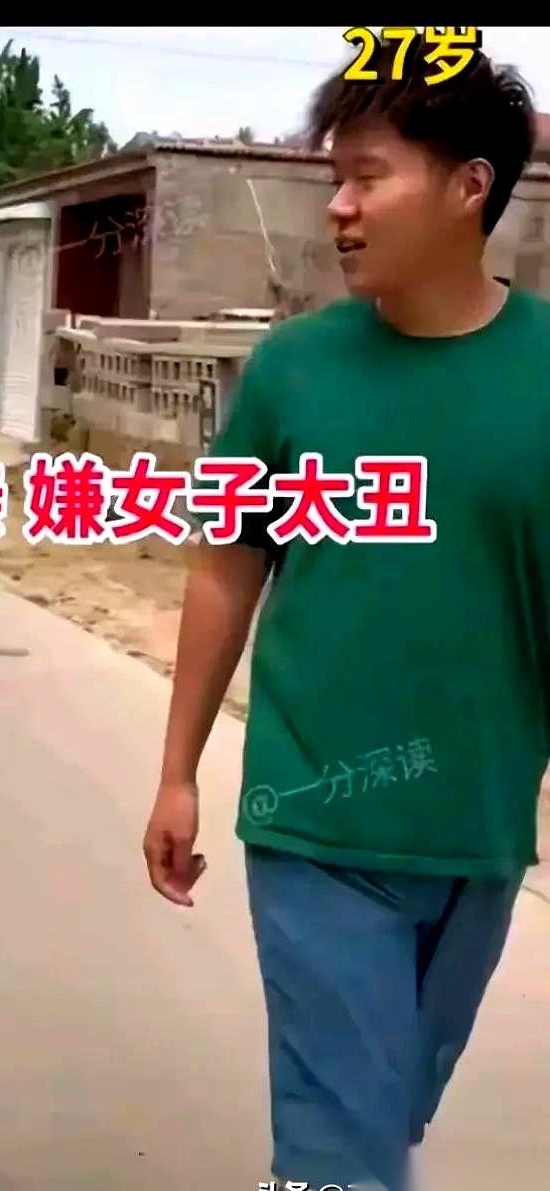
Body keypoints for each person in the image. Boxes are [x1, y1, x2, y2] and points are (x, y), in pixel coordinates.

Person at [143, 36, 544, 1191]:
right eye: (336, 180)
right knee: (345, 1147)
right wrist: (177, 772)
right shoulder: (291, 375)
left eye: (369, 176)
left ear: (470, 186)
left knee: (385, 1113)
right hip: (314, 820)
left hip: (478, 835)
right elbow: (225, 568)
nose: (341, 208)